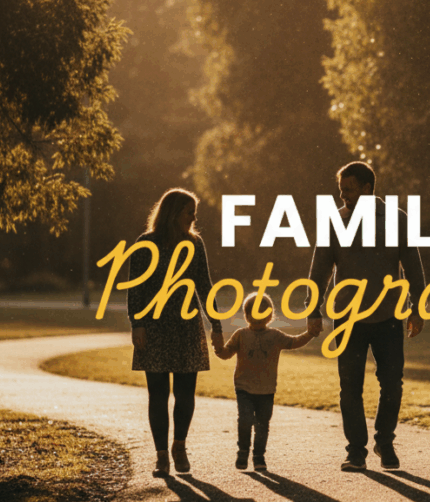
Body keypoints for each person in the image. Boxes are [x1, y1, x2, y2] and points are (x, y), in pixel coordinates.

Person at [306, 161, 426, 471]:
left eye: (348, 189)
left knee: (392, 384)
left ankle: (384, 442)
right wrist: (313, 309)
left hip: (387, 316)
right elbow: (319, 269)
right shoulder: (335, 220)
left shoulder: (397, 220)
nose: (342, 195)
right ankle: (355, 450)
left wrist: (418, 308)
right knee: (350, 386)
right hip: (347, 317)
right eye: (341, 189)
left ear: (367, 189)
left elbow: (413, 265)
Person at [128, 188, 223, 476]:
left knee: (185, 393)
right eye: (188, 212)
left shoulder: (195, 244)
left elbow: (205, 286)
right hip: (154, 326)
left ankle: (179, 447)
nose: (193, 217)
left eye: (194, 212)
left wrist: (216, 325)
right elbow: (136, 288)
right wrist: (137, 324)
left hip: (186, 326)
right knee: (157, 394)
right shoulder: (146, 243)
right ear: (172, 213)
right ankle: (161, 456)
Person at [212, 292, 316, 471]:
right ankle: (243, 451)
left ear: (269, 316)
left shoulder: (275, 336)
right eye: (253, 313)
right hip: (244, 386)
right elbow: (227, 353)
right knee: (244, 419)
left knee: (262, 424)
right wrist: (219, 349)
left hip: (266, 389)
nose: (258, 317)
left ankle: (259, 456)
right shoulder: (241, 335)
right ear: (246, 315)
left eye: (262, 313)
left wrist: (310, 334)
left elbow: (294, 342)